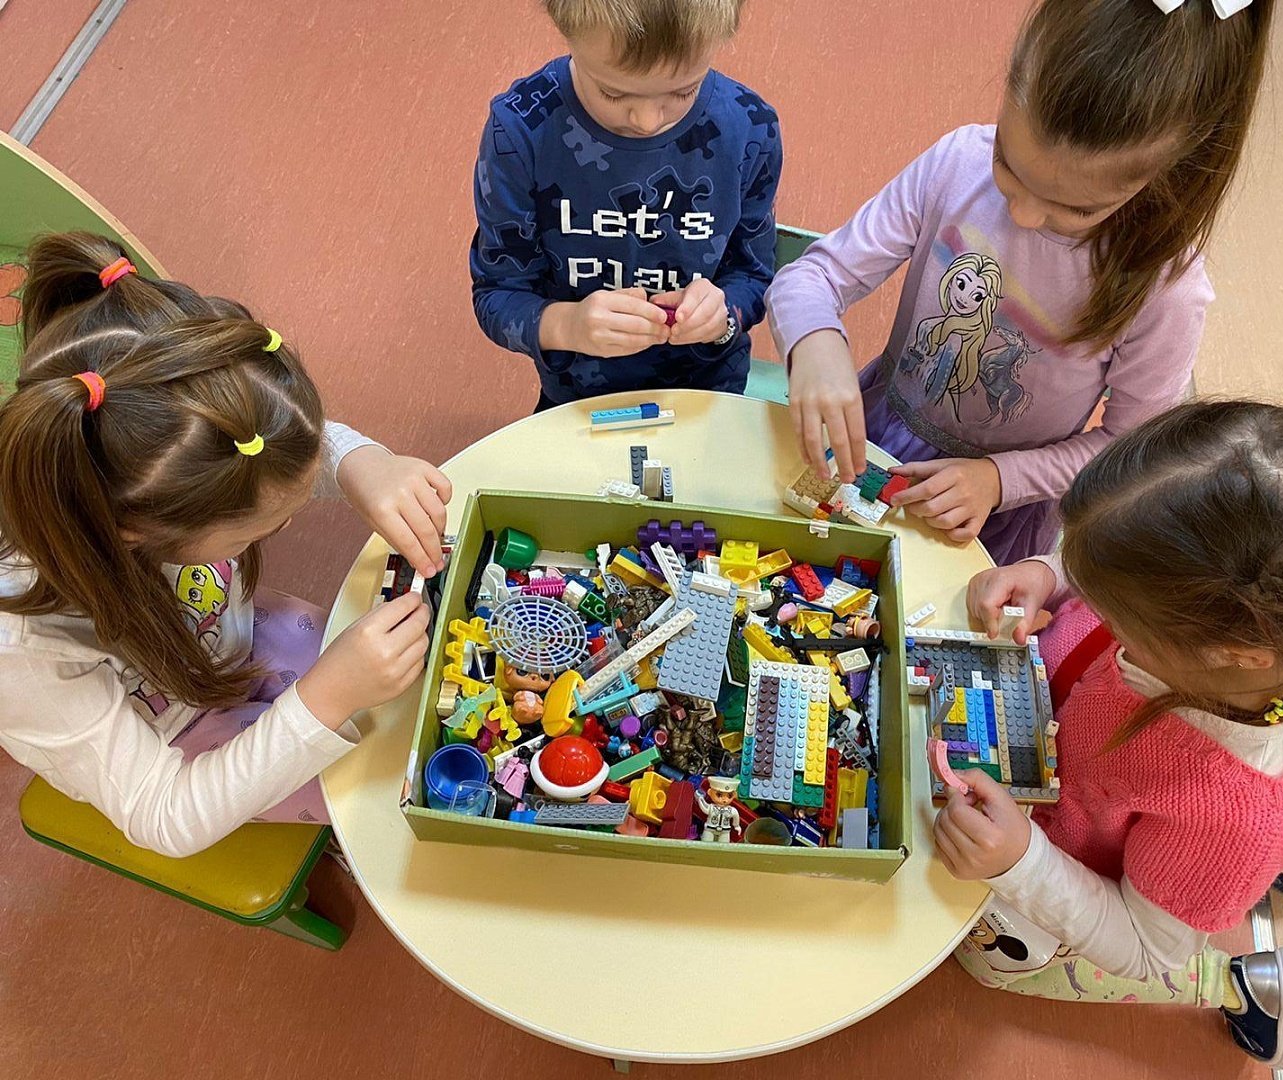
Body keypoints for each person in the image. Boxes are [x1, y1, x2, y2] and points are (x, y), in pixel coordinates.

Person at [936, 400, 1283, 1071]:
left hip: (1091, 860)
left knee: (992, 957)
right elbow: (1125, 556)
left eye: (1117, 616)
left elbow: (1147, 948)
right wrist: (1050, 574)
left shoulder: (1230, 813)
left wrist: (1021, 862)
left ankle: (1234, 984)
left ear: (1235, 652)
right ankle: (1271, 865)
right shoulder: (1231, 613)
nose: (1099, 614)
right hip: (1058, 755)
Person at [769, 0, 1275, 564]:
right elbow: (812, 276)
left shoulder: (1166, 288)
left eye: (1075, 209)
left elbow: (1130, 450)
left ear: (1167, 170)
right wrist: (815, 340)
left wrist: (999, 478)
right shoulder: (956, 163)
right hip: (875, 439)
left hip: (995, 510)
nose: (1024, 215)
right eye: (1007, 166)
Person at [0, 232, 452, 857]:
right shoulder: (23, 657)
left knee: (406, 697)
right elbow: (165, 817)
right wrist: (327, 698)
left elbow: (267, 451)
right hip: (175, 741)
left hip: (218, 639)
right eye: (258, 531)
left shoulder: (154, 451)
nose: (283, 529)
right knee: (388, 787)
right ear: (137, 530)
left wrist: (360, 463)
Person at [469, 0, 781, 409]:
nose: (648, 121)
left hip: (706, 390)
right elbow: (497, 294)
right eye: (613, 93)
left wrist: (722, 317)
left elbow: (755, 275)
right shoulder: (520, 132)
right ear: (567, 32)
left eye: (683, 90)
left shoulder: (750, 129)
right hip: (579, 398)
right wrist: (568, 326)